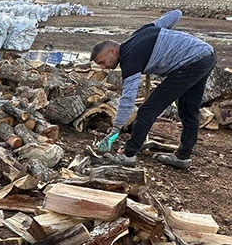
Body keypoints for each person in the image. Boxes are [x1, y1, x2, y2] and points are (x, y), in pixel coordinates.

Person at [90, 9, 216, 169]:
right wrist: (165, 42)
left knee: (147, 110)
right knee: (189, 109)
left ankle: (128, 155)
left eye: (102, 62)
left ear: (112, 51)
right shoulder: (141, 33)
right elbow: (176, 14)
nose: (103, 67)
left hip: (190, 63)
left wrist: (116, 129)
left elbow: (128, 99)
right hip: (206, 54)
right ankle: (183, 157)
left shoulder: (130, 59)